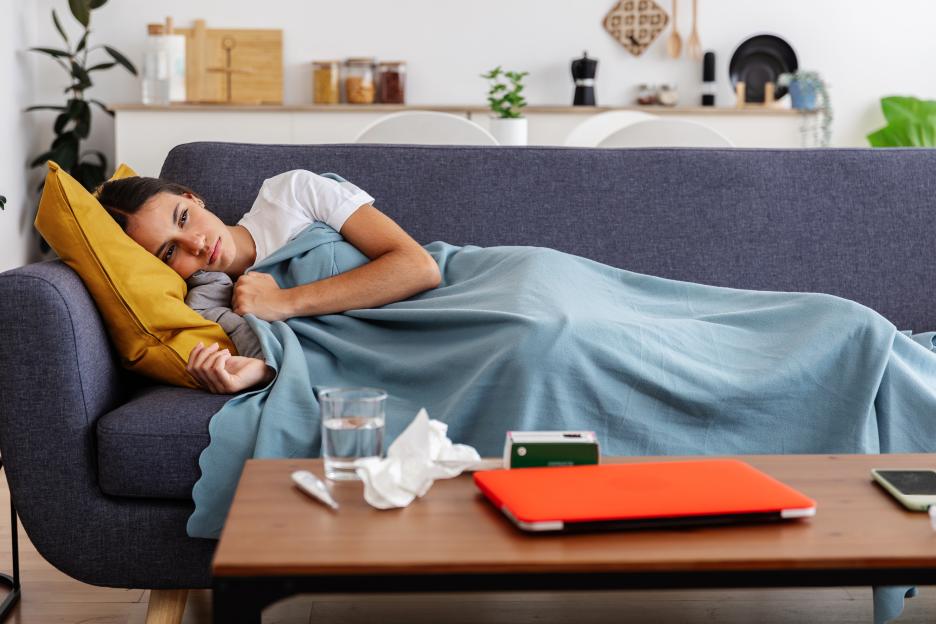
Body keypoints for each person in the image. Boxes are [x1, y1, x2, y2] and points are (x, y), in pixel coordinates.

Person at [97, 170, 440, 394]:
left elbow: (418, 267)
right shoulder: (206, 309)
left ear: (191, 197)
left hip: (444, 299)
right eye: (170, 251)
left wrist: (285, 301)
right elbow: (287, 363)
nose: (197, 244)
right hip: (394, 358)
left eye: (184, 218)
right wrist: (261, 373)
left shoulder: (291, 193)